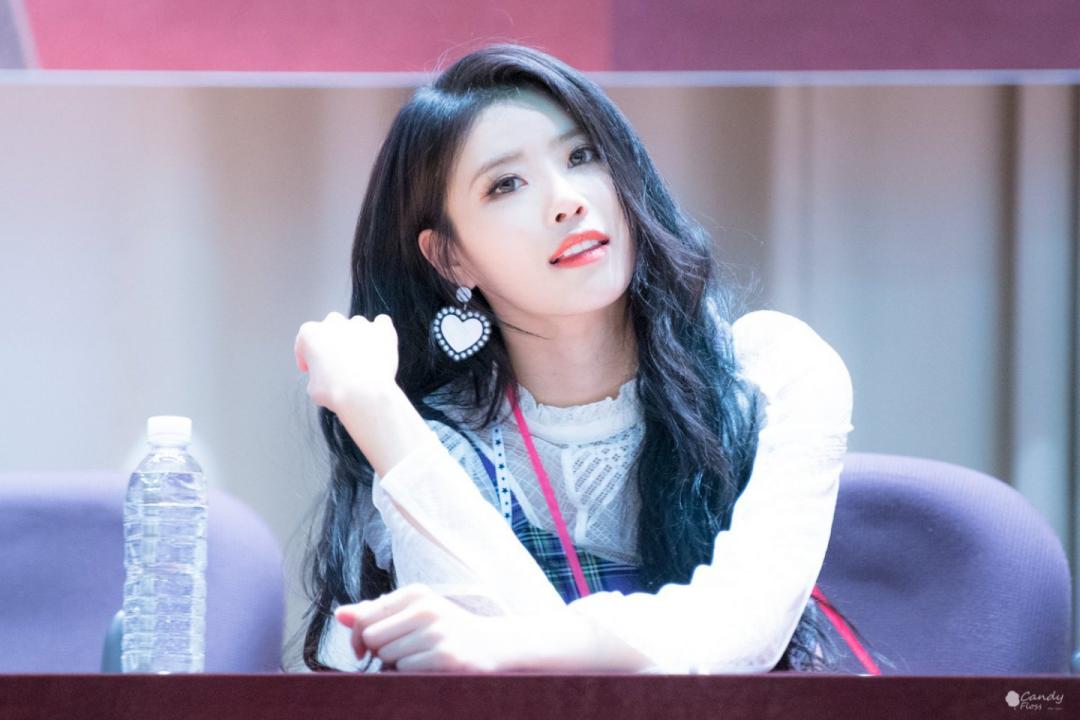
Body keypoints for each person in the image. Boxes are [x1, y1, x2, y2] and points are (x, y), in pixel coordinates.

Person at [293, 43, 884, 674]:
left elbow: (743, 633)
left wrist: (503, 644)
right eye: (506, 184)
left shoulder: (768, 373)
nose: (566, 199)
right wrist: (376, 410)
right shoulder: (431, 440)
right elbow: (499, 702)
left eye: (582, 156)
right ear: (451, 258)